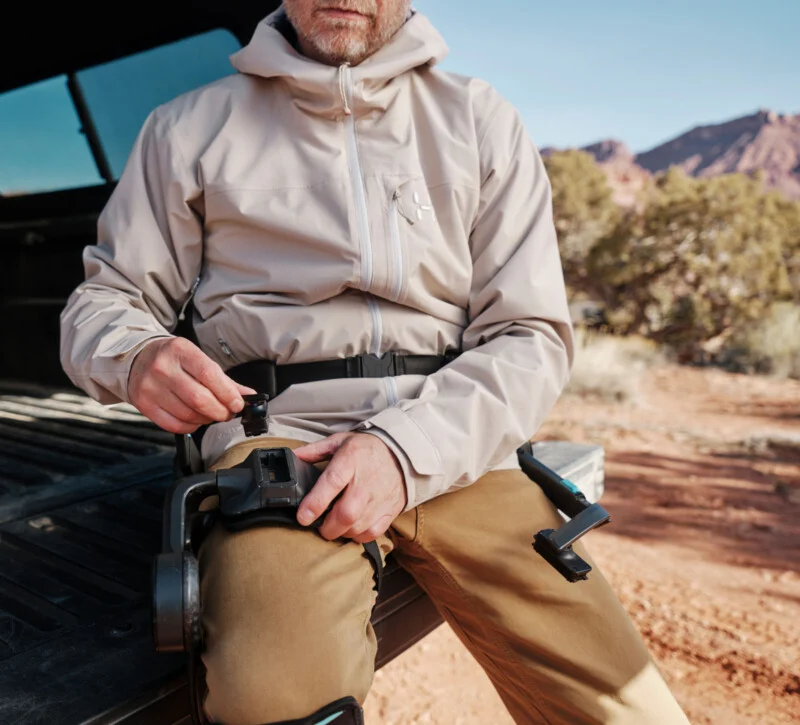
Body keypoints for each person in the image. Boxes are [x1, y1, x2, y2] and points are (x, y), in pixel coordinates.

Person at [60, 2, 691, 723]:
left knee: (631, 709)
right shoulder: (185, 128)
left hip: (460, 443)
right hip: (280, 450)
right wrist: (136, 352)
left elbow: (532, 334)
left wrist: (402, 453)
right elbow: (103, 301)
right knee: (274, 698)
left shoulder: (481, 118)